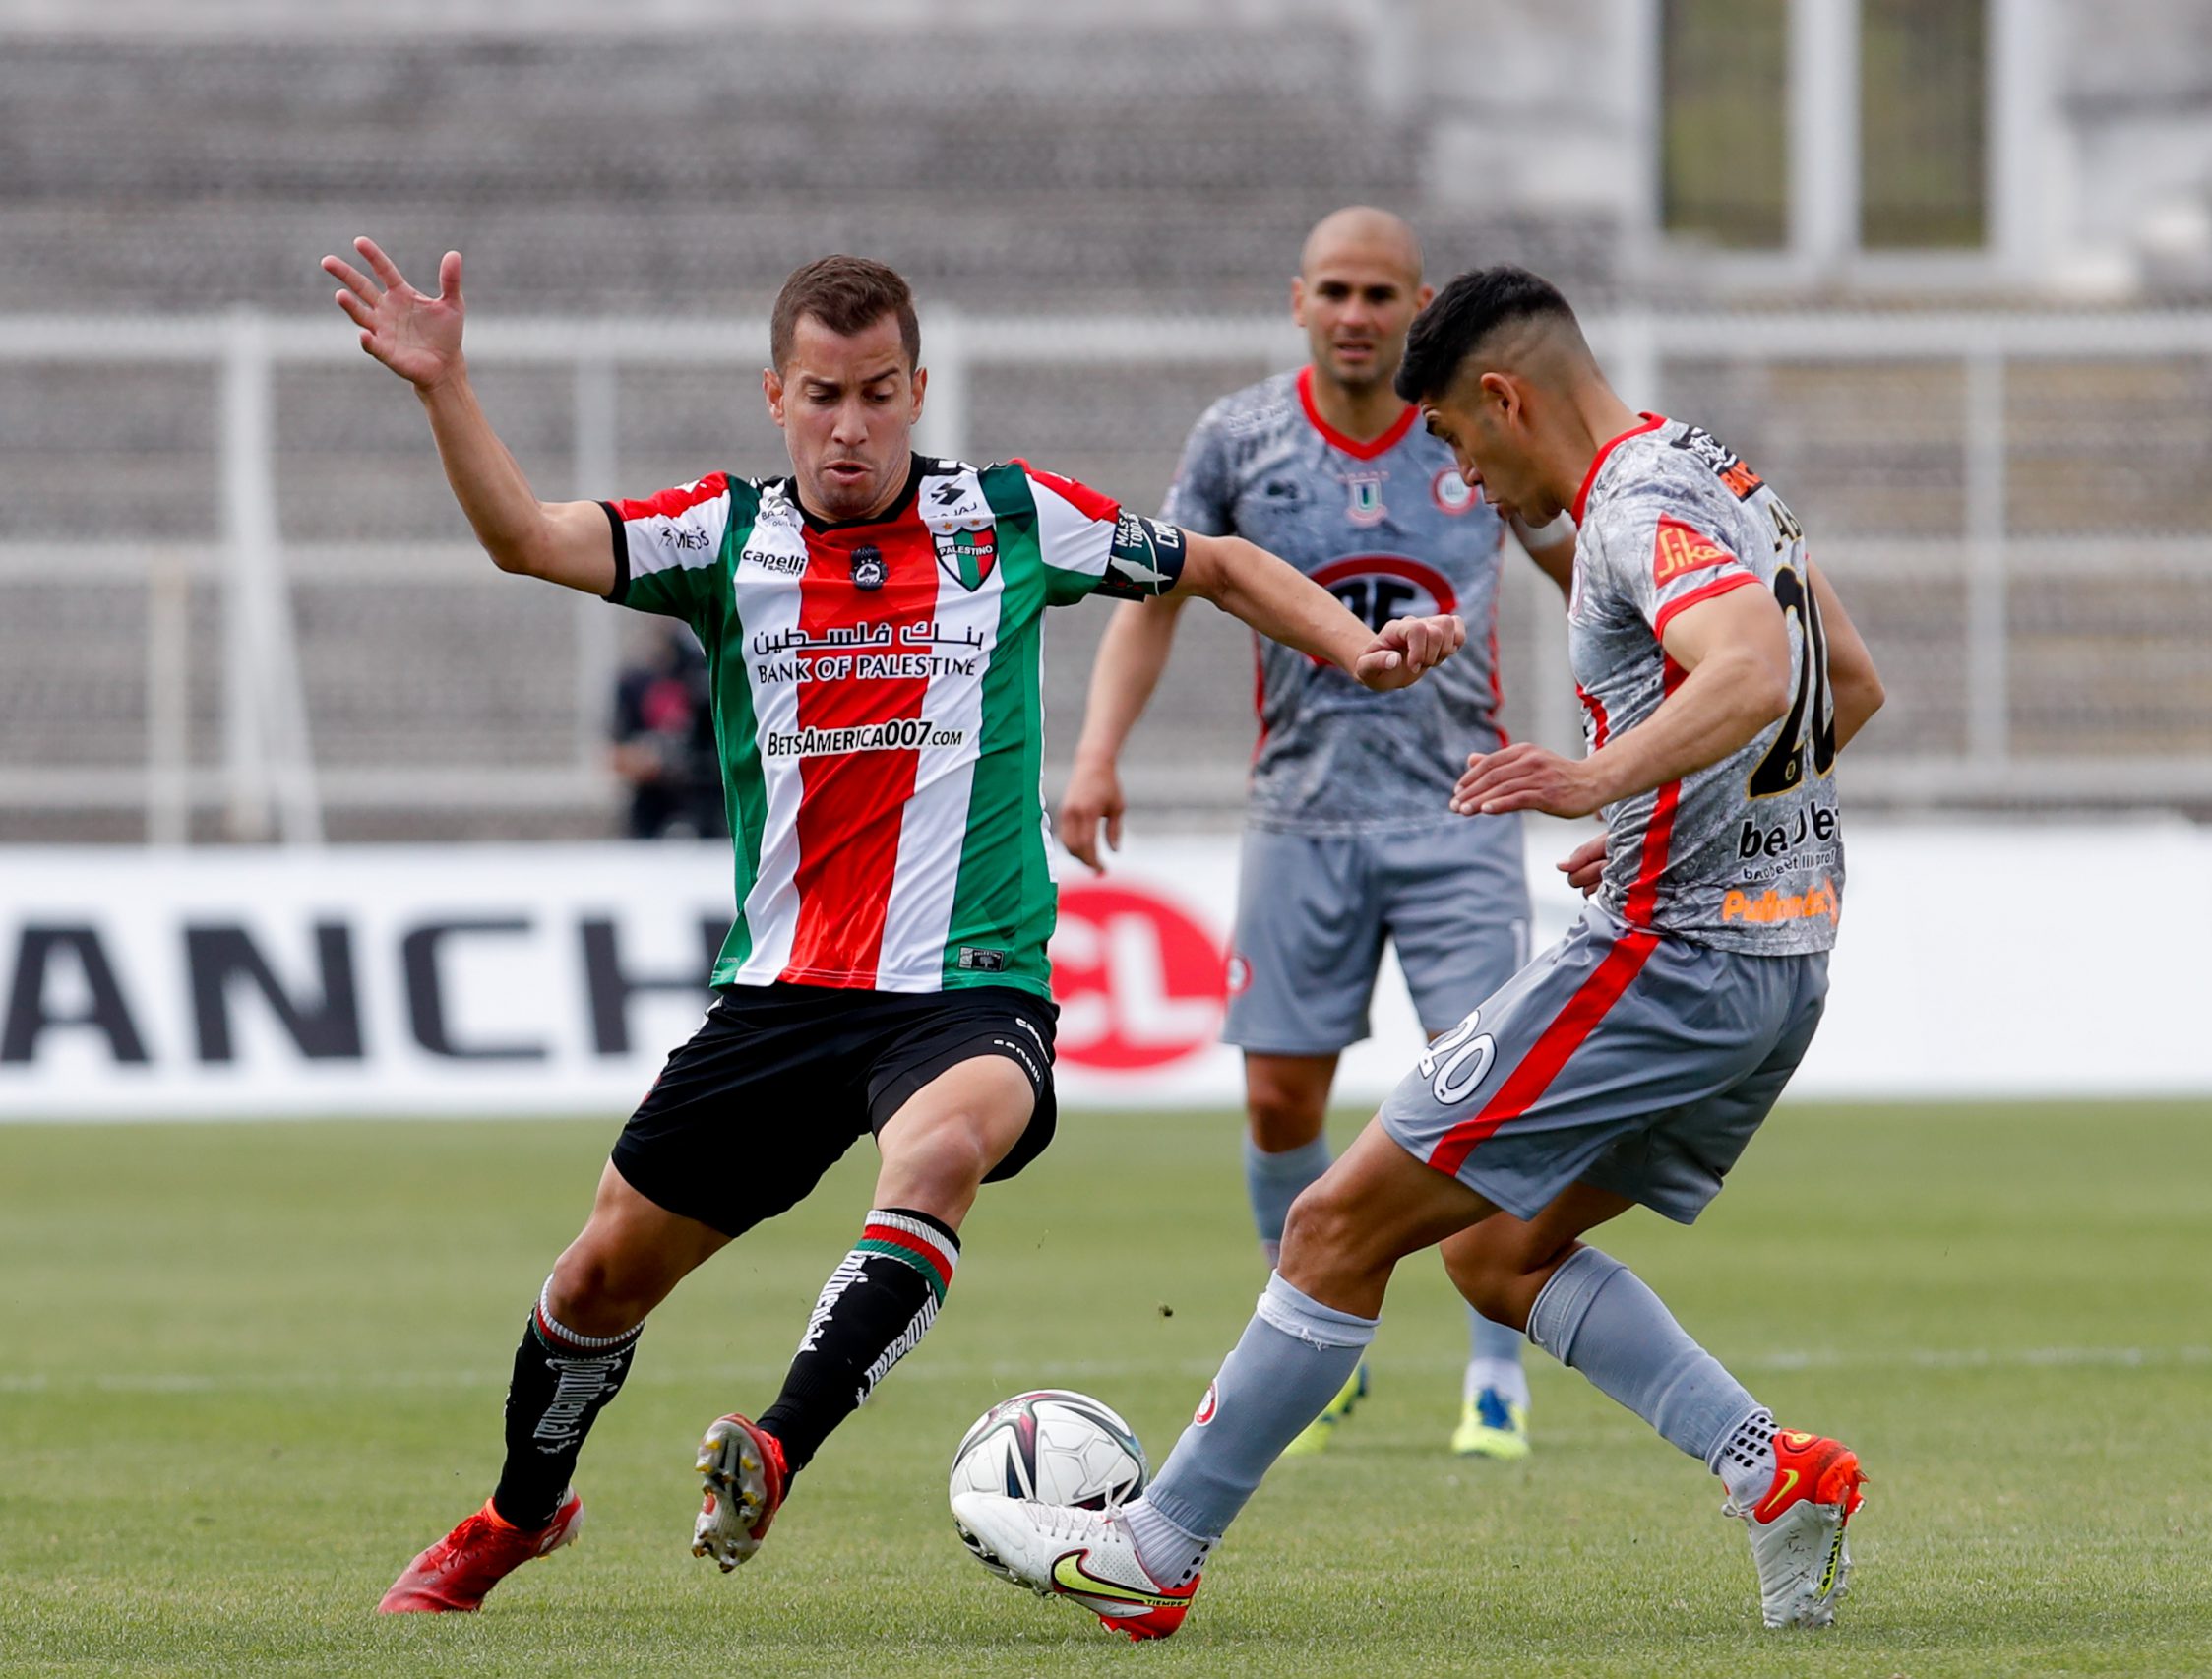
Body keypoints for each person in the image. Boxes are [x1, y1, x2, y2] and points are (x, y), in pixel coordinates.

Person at [320, 237, 1463, 1614]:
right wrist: (446, 386)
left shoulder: (1010, 518)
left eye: (875, 393)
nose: (849, 425)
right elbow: (526, 540)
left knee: (936, 1155)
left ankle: (775, 1446)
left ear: (917, 389)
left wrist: (1354, 641)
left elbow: (1210, 562)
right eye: (821, 395)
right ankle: (516, 1512)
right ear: (775, 395)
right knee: (595, 1278)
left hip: (968, 988)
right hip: (783, 991)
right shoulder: (723, 537)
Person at [954, 265, 1889, 1640]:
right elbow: (1845, 682)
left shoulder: (1634, 506)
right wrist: (1660, 813)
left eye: (1455, 439)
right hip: (1780, 957)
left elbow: (1752, 668)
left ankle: (1155, 1551)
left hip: (1668, 958)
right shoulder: (1718, 472)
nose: (1461, 478)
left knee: (1334, 1222)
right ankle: (1775, 1475)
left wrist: (1593, 781)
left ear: (1504, 397)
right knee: (1496, 1253)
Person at [1057, 207, 1574, 1461]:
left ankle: (1494, 1376)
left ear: (1417, 304)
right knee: (1282, 1098)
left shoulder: (1469, 428)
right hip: (1300, 810)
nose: (1355, 315)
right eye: (1334, 292)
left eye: (1378, 295)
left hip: (1463, 803)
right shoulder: (1238, 438)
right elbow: (1157, 595)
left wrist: (1630, 731)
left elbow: (1577, 567)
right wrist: (1094, 751)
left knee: (1482, 1087)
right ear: (1298, 301)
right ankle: (1315, 1344)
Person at [611, 621, 726, 839]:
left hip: (709, 802)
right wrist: (652, 759)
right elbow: (614, 755)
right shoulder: (634, 682)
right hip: (652, 806)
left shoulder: (703, 675)